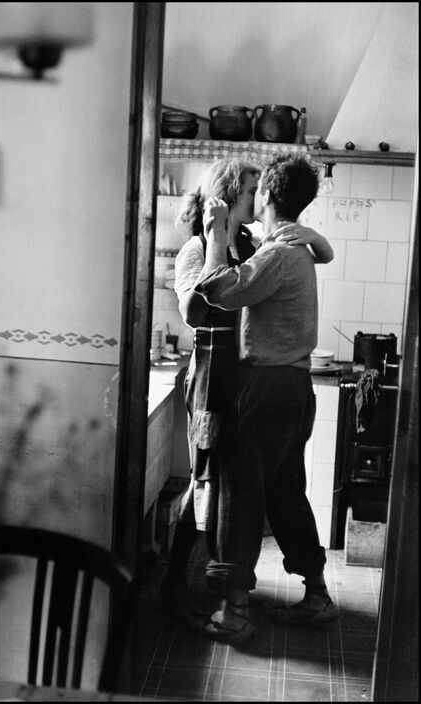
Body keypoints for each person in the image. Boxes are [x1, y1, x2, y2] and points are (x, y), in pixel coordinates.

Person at [161, 157, 333, 624]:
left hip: (256, 387)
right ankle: (177, 581)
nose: (255, 195)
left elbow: (239, 285)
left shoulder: (263, 247)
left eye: (260, 186)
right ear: (229, 194)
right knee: (206, 484)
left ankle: (233, 604)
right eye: (248, 186)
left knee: (242, 494)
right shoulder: (198, 250)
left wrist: (314, 237)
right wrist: (216, 238)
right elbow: (198, 310)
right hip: (216, 382)